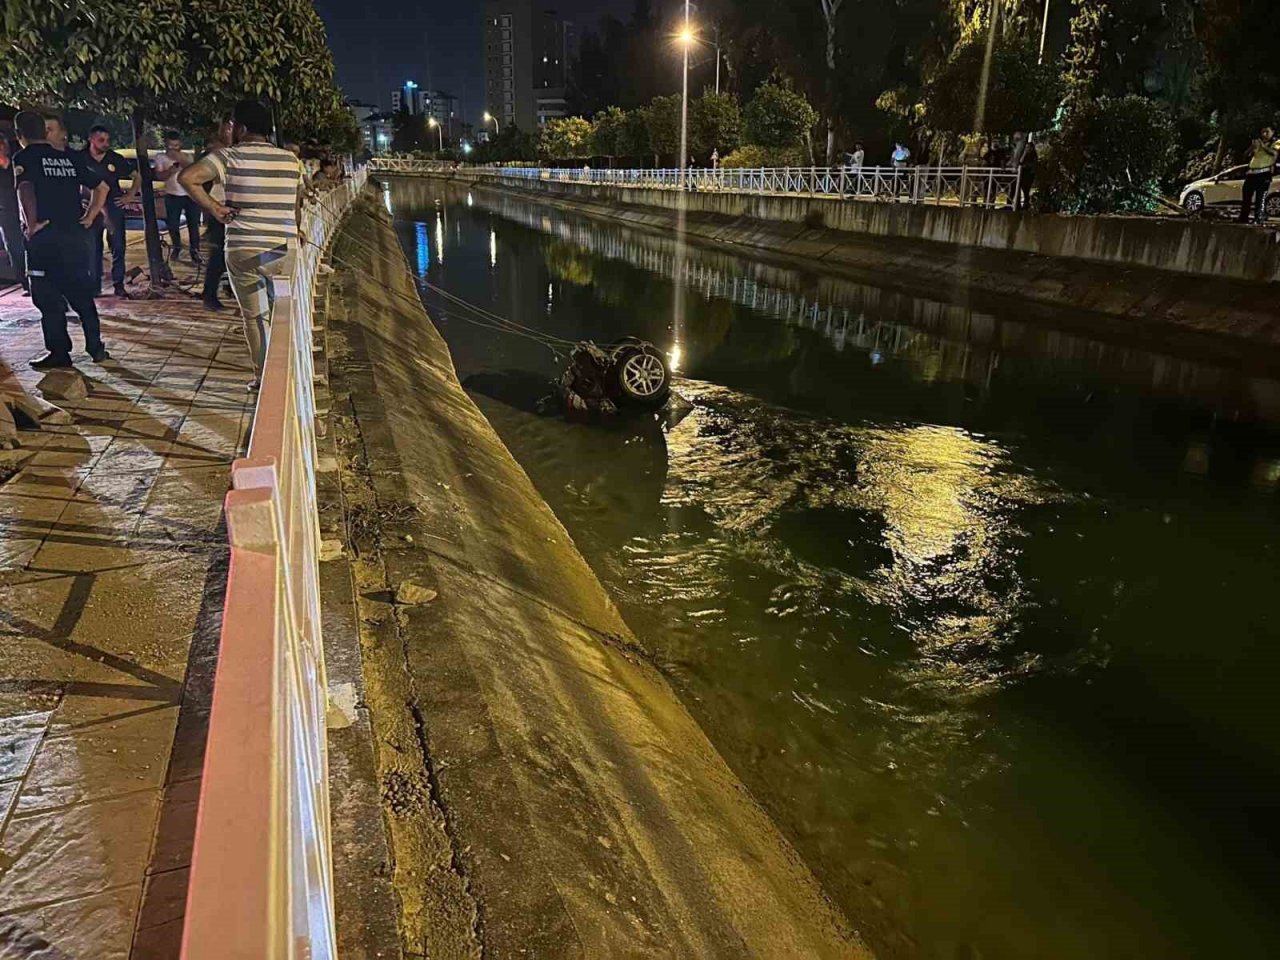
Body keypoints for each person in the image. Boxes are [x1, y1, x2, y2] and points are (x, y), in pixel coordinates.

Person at [179, 99, 306, 390]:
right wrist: (294, 229)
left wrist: (214, 207)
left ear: (241, 128)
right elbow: (294, 206)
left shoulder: (228, 157)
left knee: (255, 317)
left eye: (232, 125)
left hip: (244, 249)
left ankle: (265, 380)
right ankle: (290, 375)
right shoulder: (291, 161)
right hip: (283, 249)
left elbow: (187, 178)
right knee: (283, 313)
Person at [12, 110, 110, 369]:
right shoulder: (69, 158)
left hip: (45, 238)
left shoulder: (24, 157)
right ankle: (96, 347)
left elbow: (25, 189)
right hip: (75, 237)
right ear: (45, 132)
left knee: (46, 296)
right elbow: (102, 187)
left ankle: (60, 353)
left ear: (19, 135)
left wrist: (31, 224)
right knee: (81, 294)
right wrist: (89, 217)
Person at [81, 125, 137, 297]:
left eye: (107, 140)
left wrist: (130, 196)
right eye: (101, 140)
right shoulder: (80, 158)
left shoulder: (115, 158)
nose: (105, 144)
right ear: (91, 139)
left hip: (113, 206)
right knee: (93, 249)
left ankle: (118, 284)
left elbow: (137, 175)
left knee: (118, 246)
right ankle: (94, 286)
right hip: (89, 208)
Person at [198, 122, 232, 311]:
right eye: (227, 128)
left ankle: (228, 289)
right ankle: (209, 296)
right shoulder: (213, 156)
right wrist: (211, 207)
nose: (230, 131)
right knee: (217, 256)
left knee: (233, 255)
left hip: (232, 211)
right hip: (219, 212)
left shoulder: (234, 153)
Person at [153, 130, 201, 263]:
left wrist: (181, 160)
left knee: (193, 225)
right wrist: (170, 170)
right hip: (173, 195)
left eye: (176, 146)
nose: (173, 149)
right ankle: (176, 247)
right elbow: (159, 176)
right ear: (166, 145)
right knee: (173, 224)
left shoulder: (186, 156)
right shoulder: (160, 158)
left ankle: (195, 251)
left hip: (189, 195)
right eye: (171, 146)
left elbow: (193, 171)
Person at [0, 108, 26, 295]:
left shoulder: (18, 162)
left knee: (27, 246)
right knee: (14, 247)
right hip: (6, 214)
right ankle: (24, 281)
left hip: (23, 211)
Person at [1238, 126, 1278, 224]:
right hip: (1251, 173)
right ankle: (1243, 218)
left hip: (1264, 174)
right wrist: (1252, 148)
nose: (1264, 134)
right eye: (1262, 132)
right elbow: (1246, 155)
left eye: (1267, 132)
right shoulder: (1257, 144)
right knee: (1246, 196)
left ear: (1272, 132)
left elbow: (1274, 154)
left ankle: (1259, 217)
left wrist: (1263, 146)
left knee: (1260, 198)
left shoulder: (1276, 143)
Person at [1010, 131, 1038, 212]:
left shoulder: (1033, 156)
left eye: (1028, 147)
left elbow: (1033, 165)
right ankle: (1017, 205)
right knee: (1017, 189)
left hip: (1028, 175)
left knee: (1026, 190)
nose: (1027, 149)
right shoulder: (1023, 154)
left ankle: (1026, 205)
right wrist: (1024, 153)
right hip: (1022, 174)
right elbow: (1021, 162)